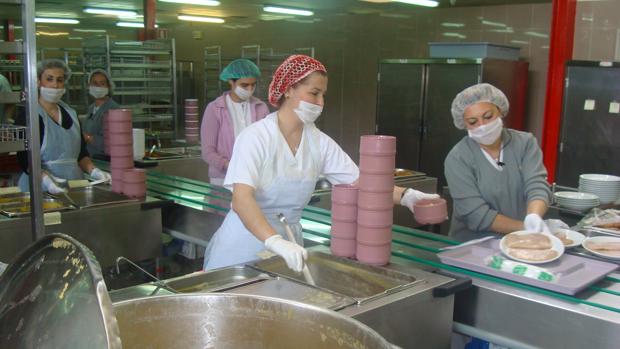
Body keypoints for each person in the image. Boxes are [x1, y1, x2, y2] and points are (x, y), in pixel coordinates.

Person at [203, 55, 439, 272]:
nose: (320, 102)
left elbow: (363, 184)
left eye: (323, 95)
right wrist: (274, 241)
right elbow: (241, 199)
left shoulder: (318, 142)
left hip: (289, 243)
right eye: (314, 93)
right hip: (243, 244)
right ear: (288, 90)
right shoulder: (256, 137)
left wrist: (407, 196)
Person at [444, 83, 563, 242]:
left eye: (488, 116)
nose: (482, 126)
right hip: (473, 246)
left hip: (522, 242)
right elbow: (476, 214)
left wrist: (534, 217)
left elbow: (536, 185)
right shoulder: (458, 157)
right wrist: (527, 228)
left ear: (500, 111)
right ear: (463, 124)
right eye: (473, 122)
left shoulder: (524, 143)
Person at [16, 59, 111, 194]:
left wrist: (94, 171)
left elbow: (81, 154)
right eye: (49, 79)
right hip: (39, 190)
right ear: (38, 82)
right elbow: (25, 160)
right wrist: (48, 182)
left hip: (73, 186)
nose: (55, 85)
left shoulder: (71, 114)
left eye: (59, 80)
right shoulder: (28, 116)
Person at [201, 58, 270, 186]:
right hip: (223, 179)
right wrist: (230, 166)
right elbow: (207, 152)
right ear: (231, 82)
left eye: (253, 85)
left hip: (256, 178)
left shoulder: (261, 107)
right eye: (244, 85)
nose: (249, 89)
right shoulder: (215, 109)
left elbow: (268, 144)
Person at [82, 69, 119, 156]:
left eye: (102, 83)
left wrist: (87, 137)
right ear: (89, 86)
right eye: (95, 83)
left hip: (105, 159)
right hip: (91, 157)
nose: (98, 87)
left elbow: (112, 142)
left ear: (108, 87)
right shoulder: (92, 107)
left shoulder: (113, 109)